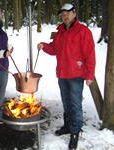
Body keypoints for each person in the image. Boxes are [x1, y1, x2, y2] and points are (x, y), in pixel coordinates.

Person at [37, 3, 96, 150]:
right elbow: (54, 49)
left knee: (75, 104)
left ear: (74, 14)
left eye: (68, 13)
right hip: (62, 73)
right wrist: (44, 46)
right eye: (63, 14)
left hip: (76, 73)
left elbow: (90, 54)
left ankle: (75, 132)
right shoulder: (60, 32)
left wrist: (90, 75)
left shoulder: (83, 31)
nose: (65, 16)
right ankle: (68, 126)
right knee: (66, 102)